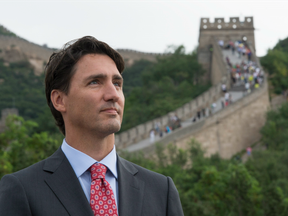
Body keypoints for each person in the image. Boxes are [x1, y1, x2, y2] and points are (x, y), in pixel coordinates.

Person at [0, 36, 184, 216]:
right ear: (59, 100)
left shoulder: (161, 191)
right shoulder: (22, 189)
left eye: (117, 84)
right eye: (95, 82)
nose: (113, 95)